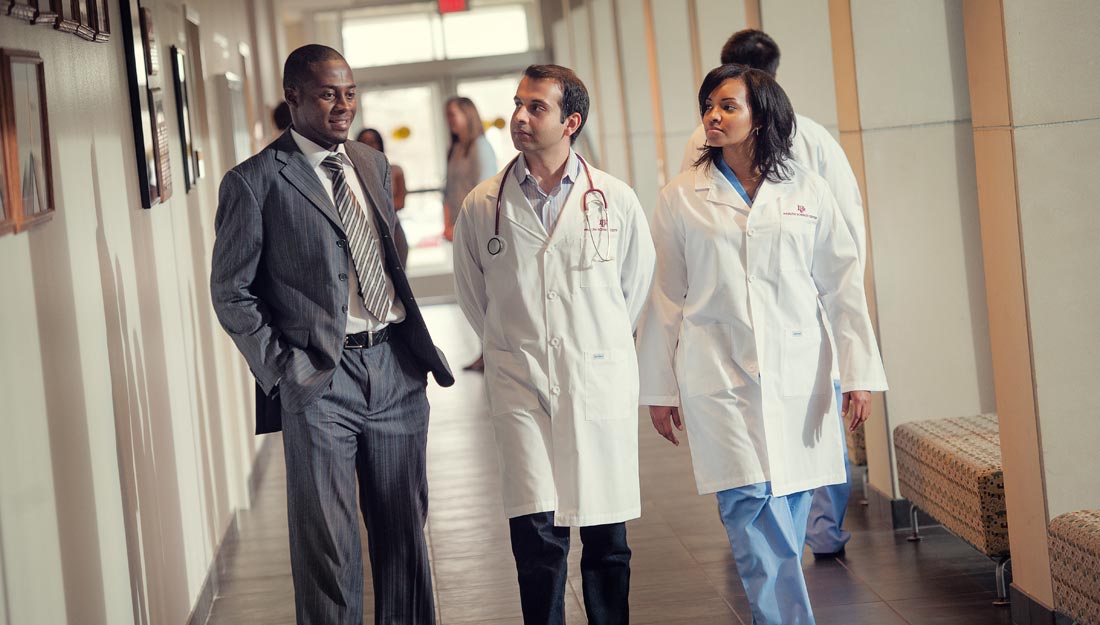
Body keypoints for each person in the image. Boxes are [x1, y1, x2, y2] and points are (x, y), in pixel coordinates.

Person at [210, 44, 454, 625]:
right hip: (321, 378)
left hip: (395, 367)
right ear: (293, 97)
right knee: (328, 546)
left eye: (349, 93)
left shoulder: (369, 162)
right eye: (327, 94)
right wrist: (282, 368)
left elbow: (387, 257)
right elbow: (231, 292)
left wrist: (407, 353)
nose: (343, 105)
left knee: (404, 538)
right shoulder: (254, 183)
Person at [637, 64, 887, 625]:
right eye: (708, 106)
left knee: (789, 507)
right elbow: (664, 298)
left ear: (761, 115)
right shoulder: (680, 197)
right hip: (716, 372)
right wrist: (659, 388)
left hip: (800, 372)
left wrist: (860, 371)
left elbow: (842, 286)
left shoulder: (808, 190)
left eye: (727, 105)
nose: (713, 116)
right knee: (748, 503)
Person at [453, 64, 655, 625]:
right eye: (517, 104)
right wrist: (519, 344)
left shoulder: (613, 200)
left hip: (596, 379)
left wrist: (588, 343)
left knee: (606, 535)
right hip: (519, 379)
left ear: (571, 121)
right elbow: (476, 298)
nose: (519, 116)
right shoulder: (481, 205)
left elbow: (633, 290)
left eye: (535, 107)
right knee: (536, 535)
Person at [681, 28, 868, 558]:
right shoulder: (712, 143)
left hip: (799, 322)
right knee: (803, 437)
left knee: (814, 437)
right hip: (745, 328)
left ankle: (798, 536)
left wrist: (842, 315)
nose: (715, 114)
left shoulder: (799, 140)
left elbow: (840, 247)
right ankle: (809, 536)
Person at [443, 96, 497, 371]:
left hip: (479, 229)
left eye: (454, 114)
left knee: (486, 292)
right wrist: (448, 223)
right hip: (461, 230)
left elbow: (482, 191)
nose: (450, 120)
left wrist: (462, 225)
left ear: (468, 115)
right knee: (473, 291)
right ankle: (484, 350)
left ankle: (492, 351)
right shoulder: (456, 149)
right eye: (447, 115)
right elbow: (449, 189)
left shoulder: (480, 147)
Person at [357, 128, 409, 267]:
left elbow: (400, 203)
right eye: (364, 142)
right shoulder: (353, 174)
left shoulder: (395, 170)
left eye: (373, 142)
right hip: (366, 235)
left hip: (393, 230)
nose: (369, 146)